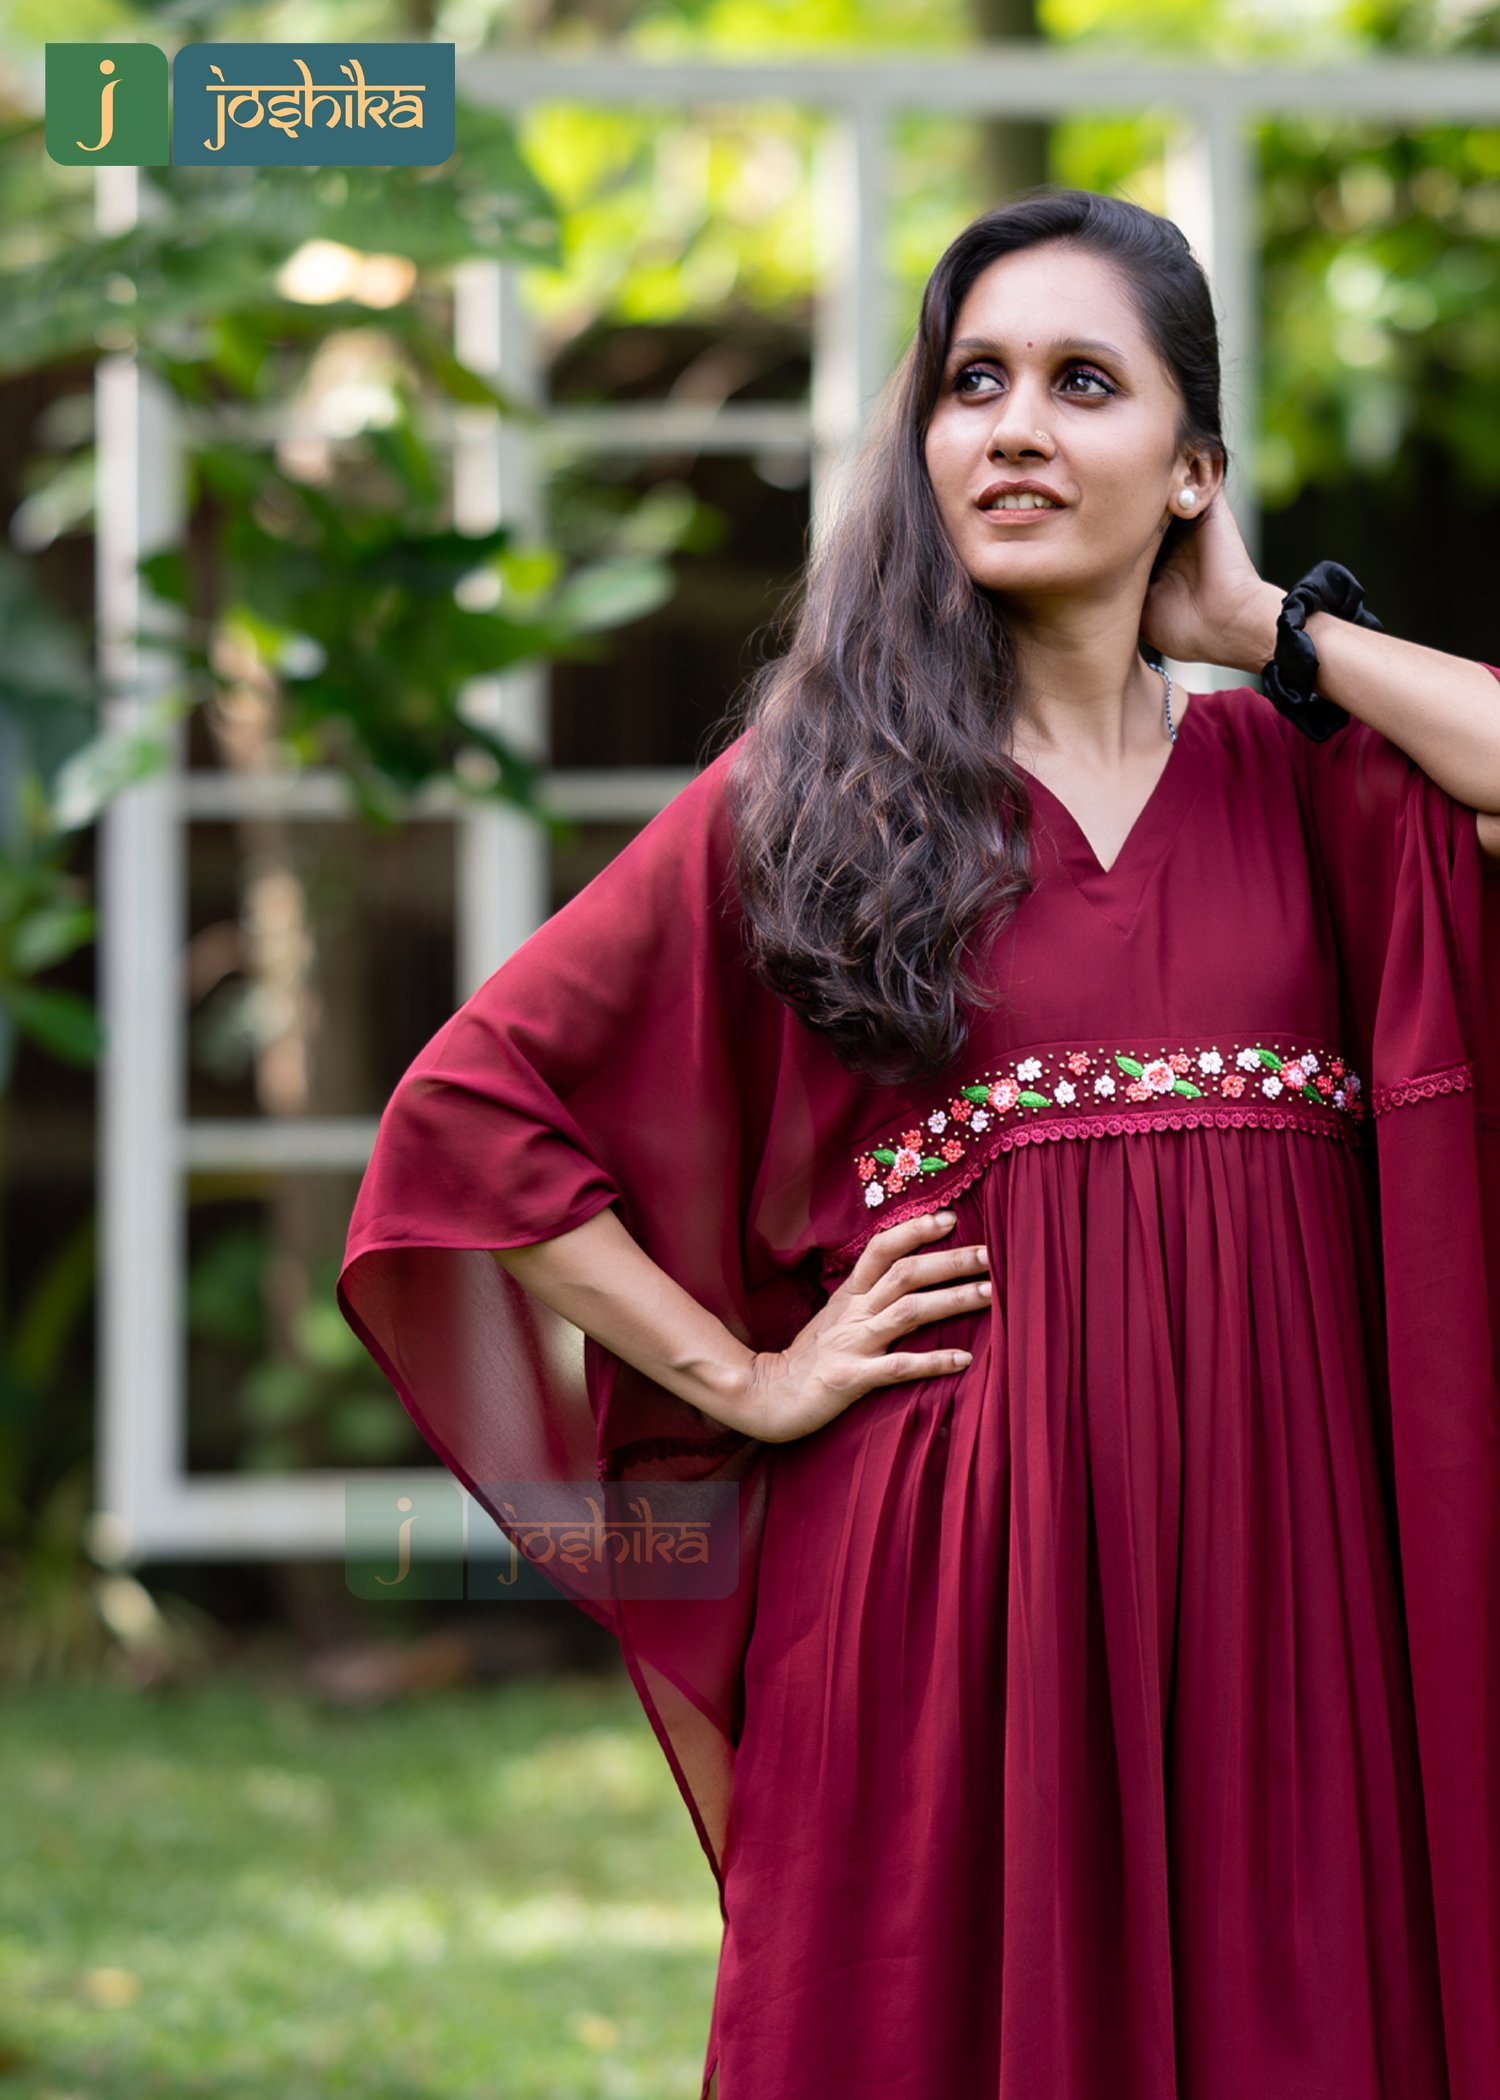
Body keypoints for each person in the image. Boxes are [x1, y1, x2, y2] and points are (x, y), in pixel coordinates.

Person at [337, 187, 1500, 2099]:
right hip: (959, 1603)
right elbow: (469, 1115)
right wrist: (749, 1378)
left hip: (1287, 1601)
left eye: (1081, 383)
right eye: (972, 382)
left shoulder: (1317, 786)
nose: (1013, 426)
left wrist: (1271, 626)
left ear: (1193, 462)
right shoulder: (813, 800)